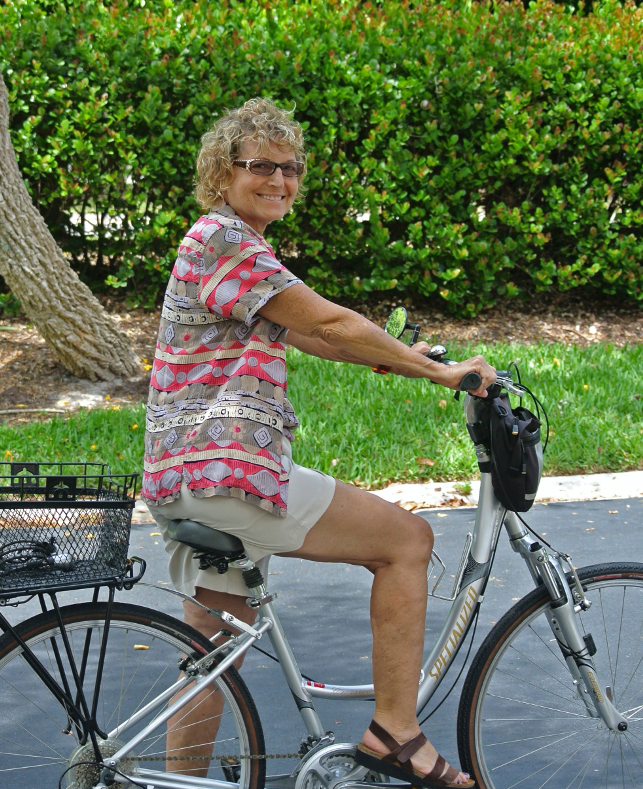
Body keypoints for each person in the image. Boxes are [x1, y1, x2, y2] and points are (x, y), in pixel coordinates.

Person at [142, 97, 495, 788]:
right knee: (405, 541)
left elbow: (304, 330)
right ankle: (396, 730)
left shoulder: (232, 244)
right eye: (258, 166)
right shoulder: (223, 240)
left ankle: (170, 782)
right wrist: (442, 371)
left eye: (290, 167)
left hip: (186, 474)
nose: (278, 179)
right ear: (222, 173)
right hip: (227, 472)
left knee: (212, 655)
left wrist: (398, 356)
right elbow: (329, 321)